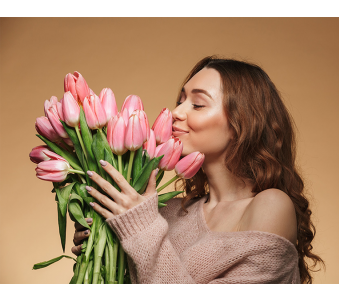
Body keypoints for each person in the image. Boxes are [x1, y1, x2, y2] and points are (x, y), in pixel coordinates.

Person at [72, 55, 324, 284]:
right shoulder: (166, 211)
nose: (175, 112)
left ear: (243, 122)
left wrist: (140, 227)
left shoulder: (270, 206)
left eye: (198, 104)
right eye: (181, 100)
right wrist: (103, 250)